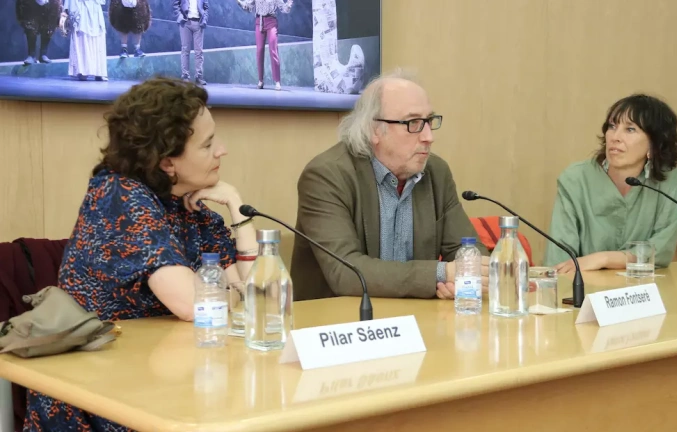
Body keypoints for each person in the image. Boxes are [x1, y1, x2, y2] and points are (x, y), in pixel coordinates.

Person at [23, 77, 257, 431]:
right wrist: (232, 295)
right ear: (167, 162)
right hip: (98, 393)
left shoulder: (191, 207)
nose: (222, 150)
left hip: (166, 378)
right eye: (208, 144)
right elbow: (193, 304)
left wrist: (238, 211)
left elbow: (258, 301)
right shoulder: (118, 196)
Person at [290, 70, 489, 301]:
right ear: (374, 130)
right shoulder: (326, 176)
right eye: (413, 123)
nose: (428, 137)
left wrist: (462, 280)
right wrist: (440, 273)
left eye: (429, 121)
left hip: (419, 317)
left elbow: (468, 251)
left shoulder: (436, 173)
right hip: (339, 318)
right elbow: (346, 272)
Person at [544, 94, 677, 273]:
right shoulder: (575, 179)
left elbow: (662, 251)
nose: (615, 137)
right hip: (583, 285)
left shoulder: (666, 180)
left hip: (642, 287)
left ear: (654, 144)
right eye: (612, 126)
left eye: (630, 129)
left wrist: (605, 259)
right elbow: (559, 259)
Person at [236, 0, 293, 90]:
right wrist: (239, 2)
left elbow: (284, 8)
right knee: (259, 51)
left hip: (271, 22)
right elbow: (248, 6)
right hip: (259, 22)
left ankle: (277, 81)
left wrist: (289, 3)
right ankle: (260, 80)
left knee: (273, 50)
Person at [60, 0, 109, 81]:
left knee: (98, 38)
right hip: (80, 9)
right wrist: (66, 10)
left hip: (95, 8)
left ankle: (99, 71)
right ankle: (82, 70)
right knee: (82, 37)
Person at [15, 0, 62, 65]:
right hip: (30, 5)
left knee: (48, 27)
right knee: (30, 27)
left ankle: (43, 54)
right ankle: (31, 55)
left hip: (50, 5)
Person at [174, 0, 209, 85]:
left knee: (199, 51)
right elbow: (175, 5)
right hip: (185, 22)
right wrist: (179, 16)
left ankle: (199, 76)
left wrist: (204, 19)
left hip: (199, 23)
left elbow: (206, 7)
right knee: (185, 50)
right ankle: (185, 76)